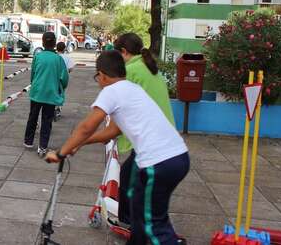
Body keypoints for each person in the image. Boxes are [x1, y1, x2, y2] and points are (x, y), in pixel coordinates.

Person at [45, 50, 189, 245]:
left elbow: (87, 126)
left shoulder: (111, 91)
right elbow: (112, 131)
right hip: (177, 157)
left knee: (153, 223)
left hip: (159, 162)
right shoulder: (131, 88)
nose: (98, 81)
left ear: (102, 75)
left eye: (97, 77)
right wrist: (79, 144)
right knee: (138, 208)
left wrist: (61, 152)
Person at [111, 32, 176, 227]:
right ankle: (136, 221)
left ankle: (130, 221)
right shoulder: (147, 67)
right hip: (162, 135)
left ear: (124, 52)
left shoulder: (132, 70)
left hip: (152, 138)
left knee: (130, 179)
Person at [23, 32, 69, 157]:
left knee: (33, 116)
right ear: (54, 44)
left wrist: (34, 84)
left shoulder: (38, 56)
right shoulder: (58, 59)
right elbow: (64, 78)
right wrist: (61, 88)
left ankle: (28, 141)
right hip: (51, 94)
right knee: (47, 120)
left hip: (37, 92)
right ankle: (42, 147)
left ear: (42, 42)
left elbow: (33, 74)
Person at [54, 41, 75, 120]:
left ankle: (53, 107)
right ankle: (58, 108)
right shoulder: (67, 57)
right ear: (64, 48)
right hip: (63, 79)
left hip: (53, 77)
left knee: (54, 92)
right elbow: (71, 68)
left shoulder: (54, 56)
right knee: (61, 93)